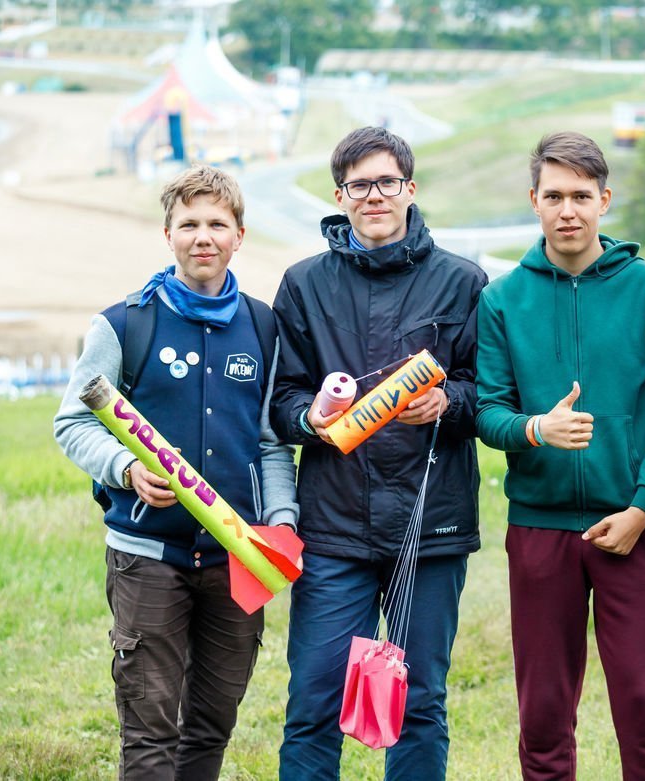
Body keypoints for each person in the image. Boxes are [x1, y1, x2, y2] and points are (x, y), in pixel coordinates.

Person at [54, 164, 297, 780]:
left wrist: (281, 525)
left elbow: (270, 443)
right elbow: (72, 424)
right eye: (188, 224)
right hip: (147, 555)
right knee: (149, 725)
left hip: (236, 558)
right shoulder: (124, 324)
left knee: (212, 724)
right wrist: (126, 468)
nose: (203, 236)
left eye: (218, 223)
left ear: (240, 235)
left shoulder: (264, 326)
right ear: (168, 234)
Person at [270, 126, 487, 781]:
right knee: (312, 700)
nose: (374, 195)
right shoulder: (303, 284)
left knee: (419, 704)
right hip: (333, 526)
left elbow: (493, 393)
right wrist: (310, 415)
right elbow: (281, 399)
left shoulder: (463, 281)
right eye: (359, 184)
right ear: (340, 196)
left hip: (431, 524)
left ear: (410, 189)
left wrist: (449, 402)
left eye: (386, 182)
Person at [476, 131, 645, 780]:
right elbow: (488, 411)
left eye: (580, 196)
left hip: (634, 528)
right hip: (539, 531)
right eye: (553, 196)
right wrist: (537, 428)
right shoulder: (501, 299)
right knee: (542, 716)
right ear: (533, 202)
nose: (567, 209)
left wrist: (643, 507)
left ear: (605, 200)